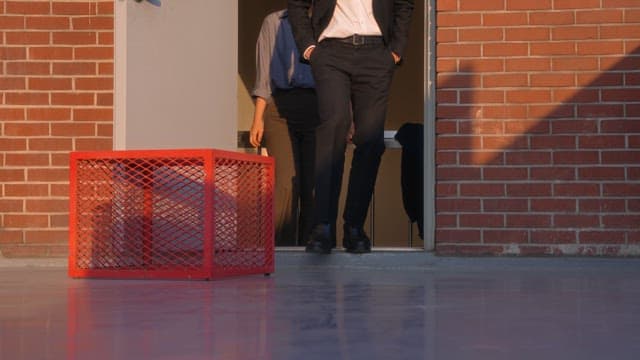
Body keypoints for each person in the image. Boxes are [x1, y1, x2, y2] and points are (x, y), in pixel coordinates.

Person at [288, 0, 414, 254]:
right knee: (333, 127)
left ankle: (354, 226)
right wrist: (309, 48)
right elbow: (296, 4)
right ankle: (322, 226)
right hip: (331, 53)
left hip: (376, 54)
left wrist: (395, 50)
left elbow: (404, 5)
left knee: (370, 140)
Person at [250, 9, 319, 246]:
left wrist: (348, 116)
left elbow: (340, 76)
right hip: (280, 108)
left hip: (317, 107)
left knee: (314, 185)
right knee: (286, 184)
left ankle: (314, 249)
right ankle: (281, 252)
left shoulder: (329, 22)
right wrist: (258, 118)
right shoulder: (274, 22)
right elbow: (264, 77)